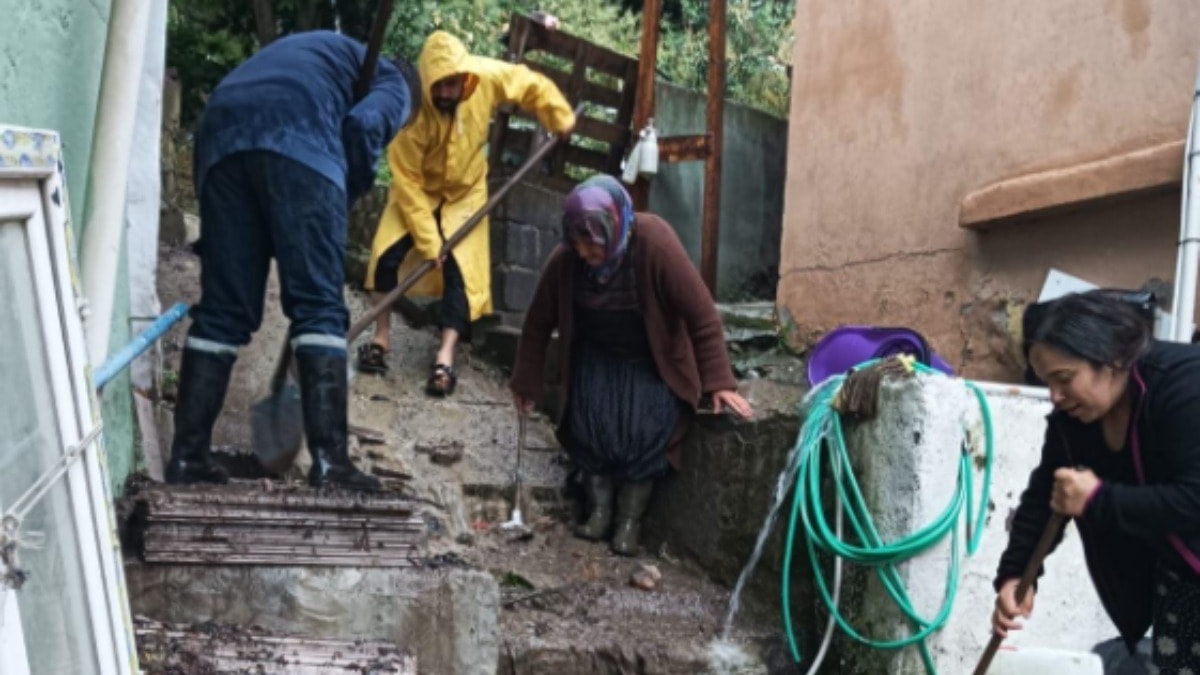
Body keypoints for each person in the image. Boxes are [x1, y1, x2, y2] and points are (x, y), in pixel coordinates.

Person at [166, 31, 420, 491]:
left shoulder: (325, 53)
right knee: (320, 308)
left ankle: (187, 457)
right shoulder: (398, 82)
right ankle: (331, 465)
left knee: (224, 310)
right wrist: (342, 191)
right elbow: (364, 126)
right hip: (298, 135)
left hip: (220, 137)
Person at [508, 175, 753, 556]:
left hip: (650, 360)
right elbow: (538, 323)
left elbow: (701, 314)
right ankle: (599, 512)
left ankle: (628, 523)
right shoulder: (566, 261)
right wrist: (526, 384)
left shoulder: (655, 242)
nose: (585, 252)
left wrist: (719, 382)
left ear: (615, 223)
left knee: (646, 434)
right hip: (597, 358)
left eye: (593, 243)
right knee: (589, 429)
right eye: (577, 243)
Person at [358, 30, 575, 396]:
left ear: (465, 79)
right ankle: (380, 339)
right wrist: (430, 242)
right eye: (438, 86)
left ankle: (445, 357)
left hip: (465, 194)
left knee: (461, 273)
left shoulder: (485, 76)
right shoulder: (411, 111)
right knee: (384, 257)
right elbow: (407, 181)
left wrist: (558, 115)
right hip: (419, 193)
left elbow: (526, 83)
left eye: (452, 85)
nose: (445, 94)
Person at [992, 290, 1200, 672]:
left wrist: (1098, 499)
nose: (1055, 396)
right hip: (1180, 581)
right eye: (1046, 382)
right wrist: (1017, 576)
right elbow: (1044, 498)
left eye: (1065, 378)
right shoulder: (1074, 421)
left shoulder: (1185, 387)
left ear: (1112, 359)